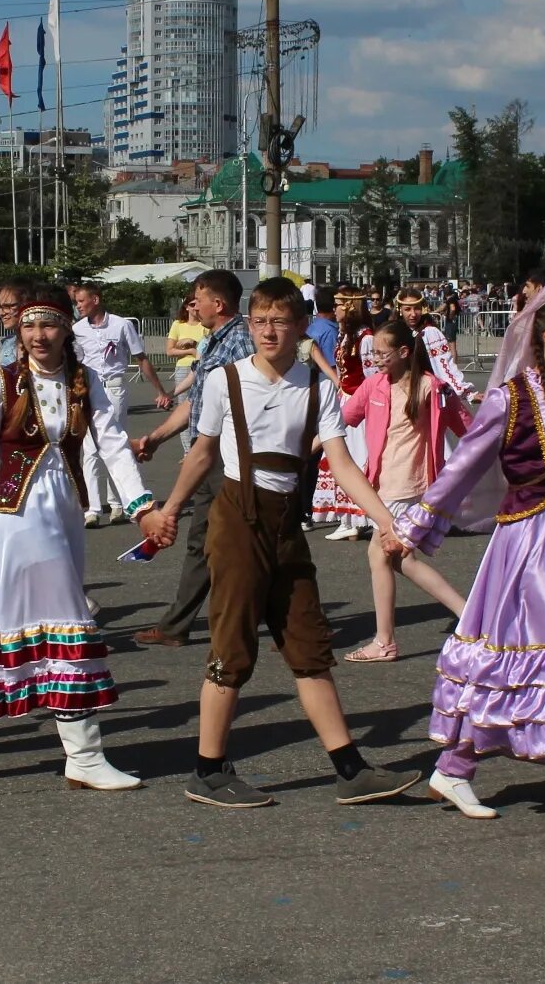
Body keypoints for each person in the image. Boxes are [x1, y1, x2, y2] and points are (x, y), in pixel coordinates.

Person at [385, 266, 545, 835]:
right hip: (522, 545)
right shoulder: (509, 400)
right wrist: (413, 527)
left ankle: (455, 768)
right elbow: (460, 468)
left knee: (523, 660)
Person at [141, 278, 421, 810]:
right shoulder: (226, 380)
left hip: (286, 524)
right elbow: (201, 453)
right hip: (236, 516)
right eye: (261, 321)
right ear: (250, 325)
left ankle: (350, 770)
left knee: (309, 644)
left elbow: (341, 462)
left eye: (281, 321)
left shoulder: (317, 387)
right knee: (232, 645)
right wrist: (168, 510)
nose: (270, 331)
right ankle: (207, 770)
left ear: (301, 328)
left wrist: (386, 520)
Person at [0, 286, 158, 792]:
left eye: (48, 324)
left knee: (17, 624)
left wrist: (141, 505)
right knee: (63, 620)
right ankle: (85, 755)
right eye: (29, 326)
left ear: (65, 327)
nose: (38, 335)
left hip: (64, 508)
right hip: (18, 515)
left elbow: (113, 443)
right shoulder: (1, 383)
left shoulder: (84, 379)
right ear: (18, 330)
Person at [131, 269, 254, 648]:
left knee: (254, 541)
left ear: (218, 304)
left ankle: (296, 618)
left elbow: (242, 410)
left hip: (227, 459)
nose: (191, 305)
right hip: (210, 454)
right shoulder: (213, 344)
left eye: (197, 298)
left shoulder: (239, 345)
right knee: (206, 541)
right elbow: (198, 405)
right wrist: (156, 437)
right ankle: (176, 626)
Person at [338, 317, 472, 663]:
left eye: (382, 353)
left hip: (408, 487)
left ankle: (385, 642)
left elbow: (467, 427)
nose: (376, 358)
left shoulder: (433, 387)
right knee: (403, 560)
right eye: (374, 353)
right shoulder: (374, 386)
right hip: (383, 485)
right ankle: (471, 615)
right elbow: (341, 421)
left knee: (380, 554)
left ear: (403, 351)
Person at [71, 279, 172, 527]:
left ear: (96, 300)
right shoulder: (77, 329)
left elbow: (140, 358)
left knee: (115, 441)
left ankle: (117, 504)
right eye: (76, 302)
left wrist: (159, 389)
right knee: (91, 449)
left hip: (114, 387)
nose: (79, 306)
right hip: (88, 389)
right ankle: (93, 508)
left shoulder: (122, 325)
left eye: (82, 301)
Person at [308, 287, 375, 541]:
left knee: (354, 458)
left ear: (349, 306)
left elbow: (373, 380)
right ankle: (348, 518)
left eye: (337, 304)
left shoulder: (365, 338)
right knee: (338, 457)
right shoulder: (347, 336)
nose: (333, 309)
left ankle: (358, 519)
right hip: (344, 399)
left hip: (358, 405)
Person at [395, 287, 476, 402]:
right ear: (400, 310)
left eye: (417, 309)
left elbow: (445, 366)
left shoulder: (429, 333)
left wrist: (467, 393)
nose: (413, 314)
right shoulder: (394, 332)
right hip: (398, 394)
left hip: (422, 395)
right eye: (407, 309)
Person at [168, 292, 208, 398]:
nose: (195, 308)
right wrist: (189, 351)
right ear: (186, 307)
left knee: (200, 399)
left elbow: (207, 347)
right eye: (192, 305)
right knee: (183, 401)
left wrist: (193, 343)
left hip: (200, 366)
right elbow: (169, 351)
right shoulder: (178, 324)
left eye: (197, 304)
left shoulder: (205, 324)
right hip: (183, 366)